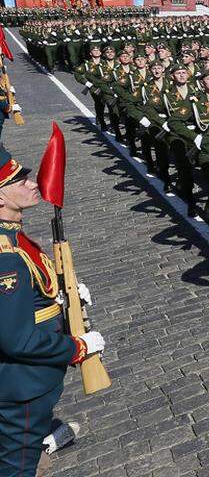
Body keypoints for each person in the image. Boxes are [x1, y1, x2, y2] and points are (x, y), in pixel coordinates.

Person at [0, 147, 105, 477]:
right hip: (23, 388)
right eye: (19, 181)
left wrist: (62, 295)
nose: (32, 184)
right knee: (17, 467)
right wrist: (78, 347)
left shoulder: (13, 236)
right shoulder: (7, 258)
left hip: (25, 385)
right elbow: (18, 339)